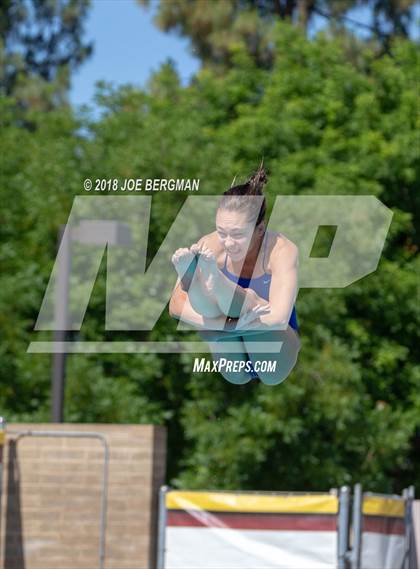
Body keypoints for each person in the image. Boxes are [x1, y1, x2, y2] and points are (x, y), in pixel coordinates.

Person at [169, 166, 300, 385]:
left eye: (238, 234)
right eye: (222, 232)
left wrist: (234, 324)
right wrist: (228, 326)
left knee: (250, 303)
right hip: (229, 339)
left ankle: (216, 281)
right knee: (212, 308)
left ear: (260, 229)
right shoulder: (209, 246)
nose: (228, 242)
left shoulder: (281, 250)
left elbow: (277, 318)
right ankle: (210, 285)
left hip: (273, 344)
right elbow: (176, 307)